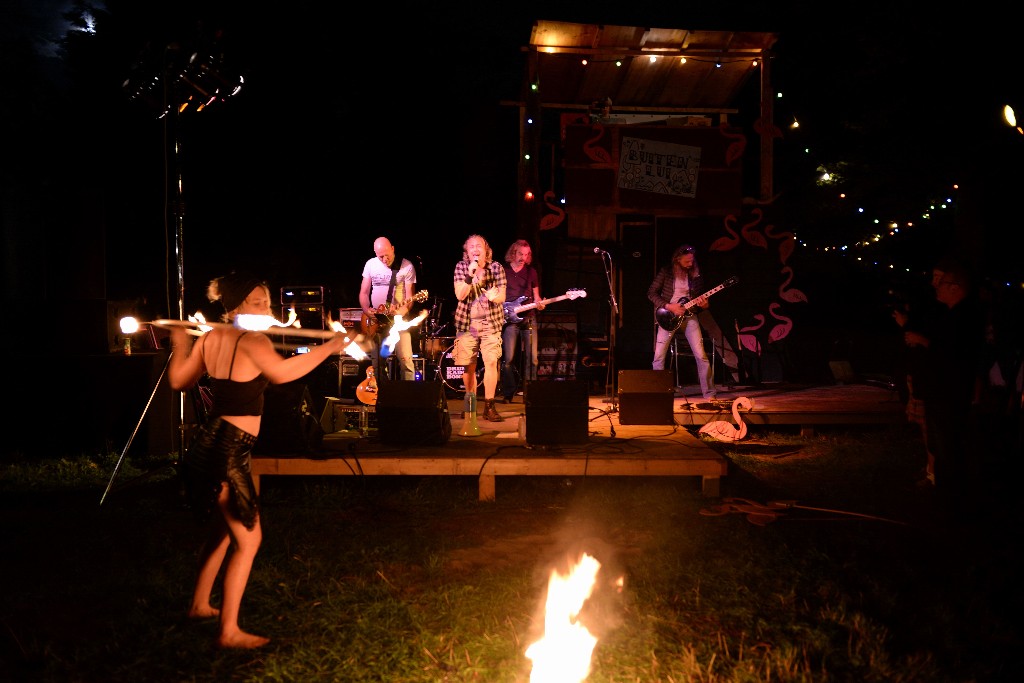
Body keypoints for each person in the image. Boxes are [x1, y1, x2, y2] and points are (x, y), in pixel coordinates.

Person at [168, 271, 350, 649]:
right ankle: (229, 631)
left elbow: (179, 381)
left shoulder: (213, 337)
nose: (266, 307)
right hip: (228, 451)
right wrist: (327, 349)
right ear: (235, 307)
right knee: (249, 539)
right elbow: (283, 374)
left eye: (267, 301)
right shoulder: (252, 340)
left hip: (208, 446)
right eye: (256, 302)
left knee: (222, 532)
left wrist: (180, 343)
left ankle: (200, 605)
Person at [903, 260, 986, 519]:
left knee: (948, 442)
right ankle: (945, 491)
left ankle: (952, 498)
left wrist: (923, 341)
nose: (936, 287)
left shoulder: (966, 317)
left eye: (942, 283)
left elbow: (956, 354)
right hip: (940, 389)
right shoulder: (949, 314)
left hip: (949, 392)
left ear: (955, 287)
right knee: (940, 441)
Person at [647, 244, 716, 400]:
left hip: (689, 316)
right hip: (668, 316)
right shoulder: (666, 272)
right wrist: (669, 305)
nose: (690, 264)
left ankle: (709, 394)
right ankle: (659, 394)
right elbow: (651, 293)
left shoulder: (696, 275)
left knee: (701, 355)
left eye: (692, 261)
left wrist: (704, 305)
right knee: (659, 356)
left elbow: (698, 302)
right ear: (677, 259)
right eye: (687, 261)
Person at [453, 234, 507, 421]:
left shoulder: (496, 268)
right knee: (469, 365)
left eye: (479, 246)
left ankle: (489, 406)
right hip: (467, 323)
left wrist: (494, 296)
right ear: (467, 251)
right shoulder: (461, 267)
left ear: (486, 250)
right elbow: (460, 295)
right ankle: (470, 405)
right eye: (471, 247)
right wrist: (470, 275)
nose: (475, 249)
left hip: (491, 322)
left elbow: (502, 297)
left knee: (491, 362)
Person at [359, 236, 418, 381]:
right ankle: (382, 396)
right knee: (377, 364)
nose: (385, 259)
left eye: (387, 255)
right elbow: (364, 292)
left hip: (398, 321)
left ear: (393, 249)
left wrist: (400, 311)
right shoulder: (370, 265)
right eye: (381, 257)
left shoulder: (406, 266)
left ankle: (407, 398)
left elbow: (410, 299)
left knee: (406, 361)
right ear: (375, 254)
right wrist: (367, 310)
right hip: (376, 321)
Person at [500, 239, 544, 403]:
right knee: (508, 360)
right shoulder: (503, 271)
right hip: (510, 319)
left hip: (529, 318)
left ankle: (530, 393)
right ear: (513, 253)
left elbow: (537, 296)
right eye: (520, 254)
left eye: (526, 255)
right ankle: (508, 393)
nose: (523, 258)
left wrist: (539, 304)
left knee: (532, 359)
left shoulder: (531, 272)